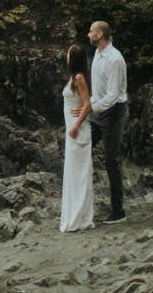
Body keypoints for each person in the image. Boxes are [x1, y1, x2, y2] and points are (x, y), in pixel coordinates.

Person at [88, 20, 127, 222]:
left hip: (114, 111)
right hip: (98, 109)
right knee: (83, 147)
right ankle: (80, 204)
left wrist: (90, 107)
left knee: (111, 160)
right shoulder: (97, 54)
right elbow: (98, 90)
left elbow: (112, 96)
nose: (88, 34)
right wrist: (90, 106)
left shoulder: (114, 59)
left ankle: (118, 211)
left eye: (91, 31)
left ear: (100, 35)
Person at [58, 43, 94, 232]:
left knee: (79, 174)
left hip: (77, 130)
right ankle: (74, 216)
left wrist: (75, 126)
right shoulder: (73, 77)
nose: (66, 55)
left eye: (68, 53)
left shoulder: (79, 78)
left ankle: (81, 218)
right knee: (73, 174)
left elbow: (87, 104)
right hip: (72, 130)